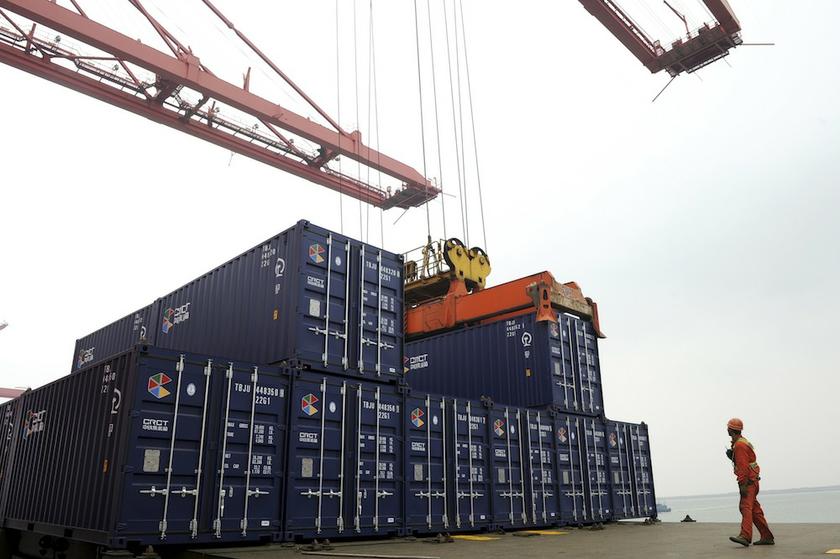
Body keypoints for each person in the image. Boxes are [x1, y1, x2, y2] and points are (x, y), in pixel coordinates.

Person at [726, 418, 774, 547]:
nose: (727, 430)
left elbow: (743, 467)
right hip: (753, 480)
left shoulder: (740, 445)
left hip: (748, 481)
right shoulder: (741, 442)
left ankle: (745, 536)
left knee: (745, 507)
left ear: (731, 430)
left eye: (728, 428)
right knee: (755, 510)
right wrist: (733, 456)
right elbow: (746, 461)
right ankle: (767, 536)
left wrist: (742, 484)